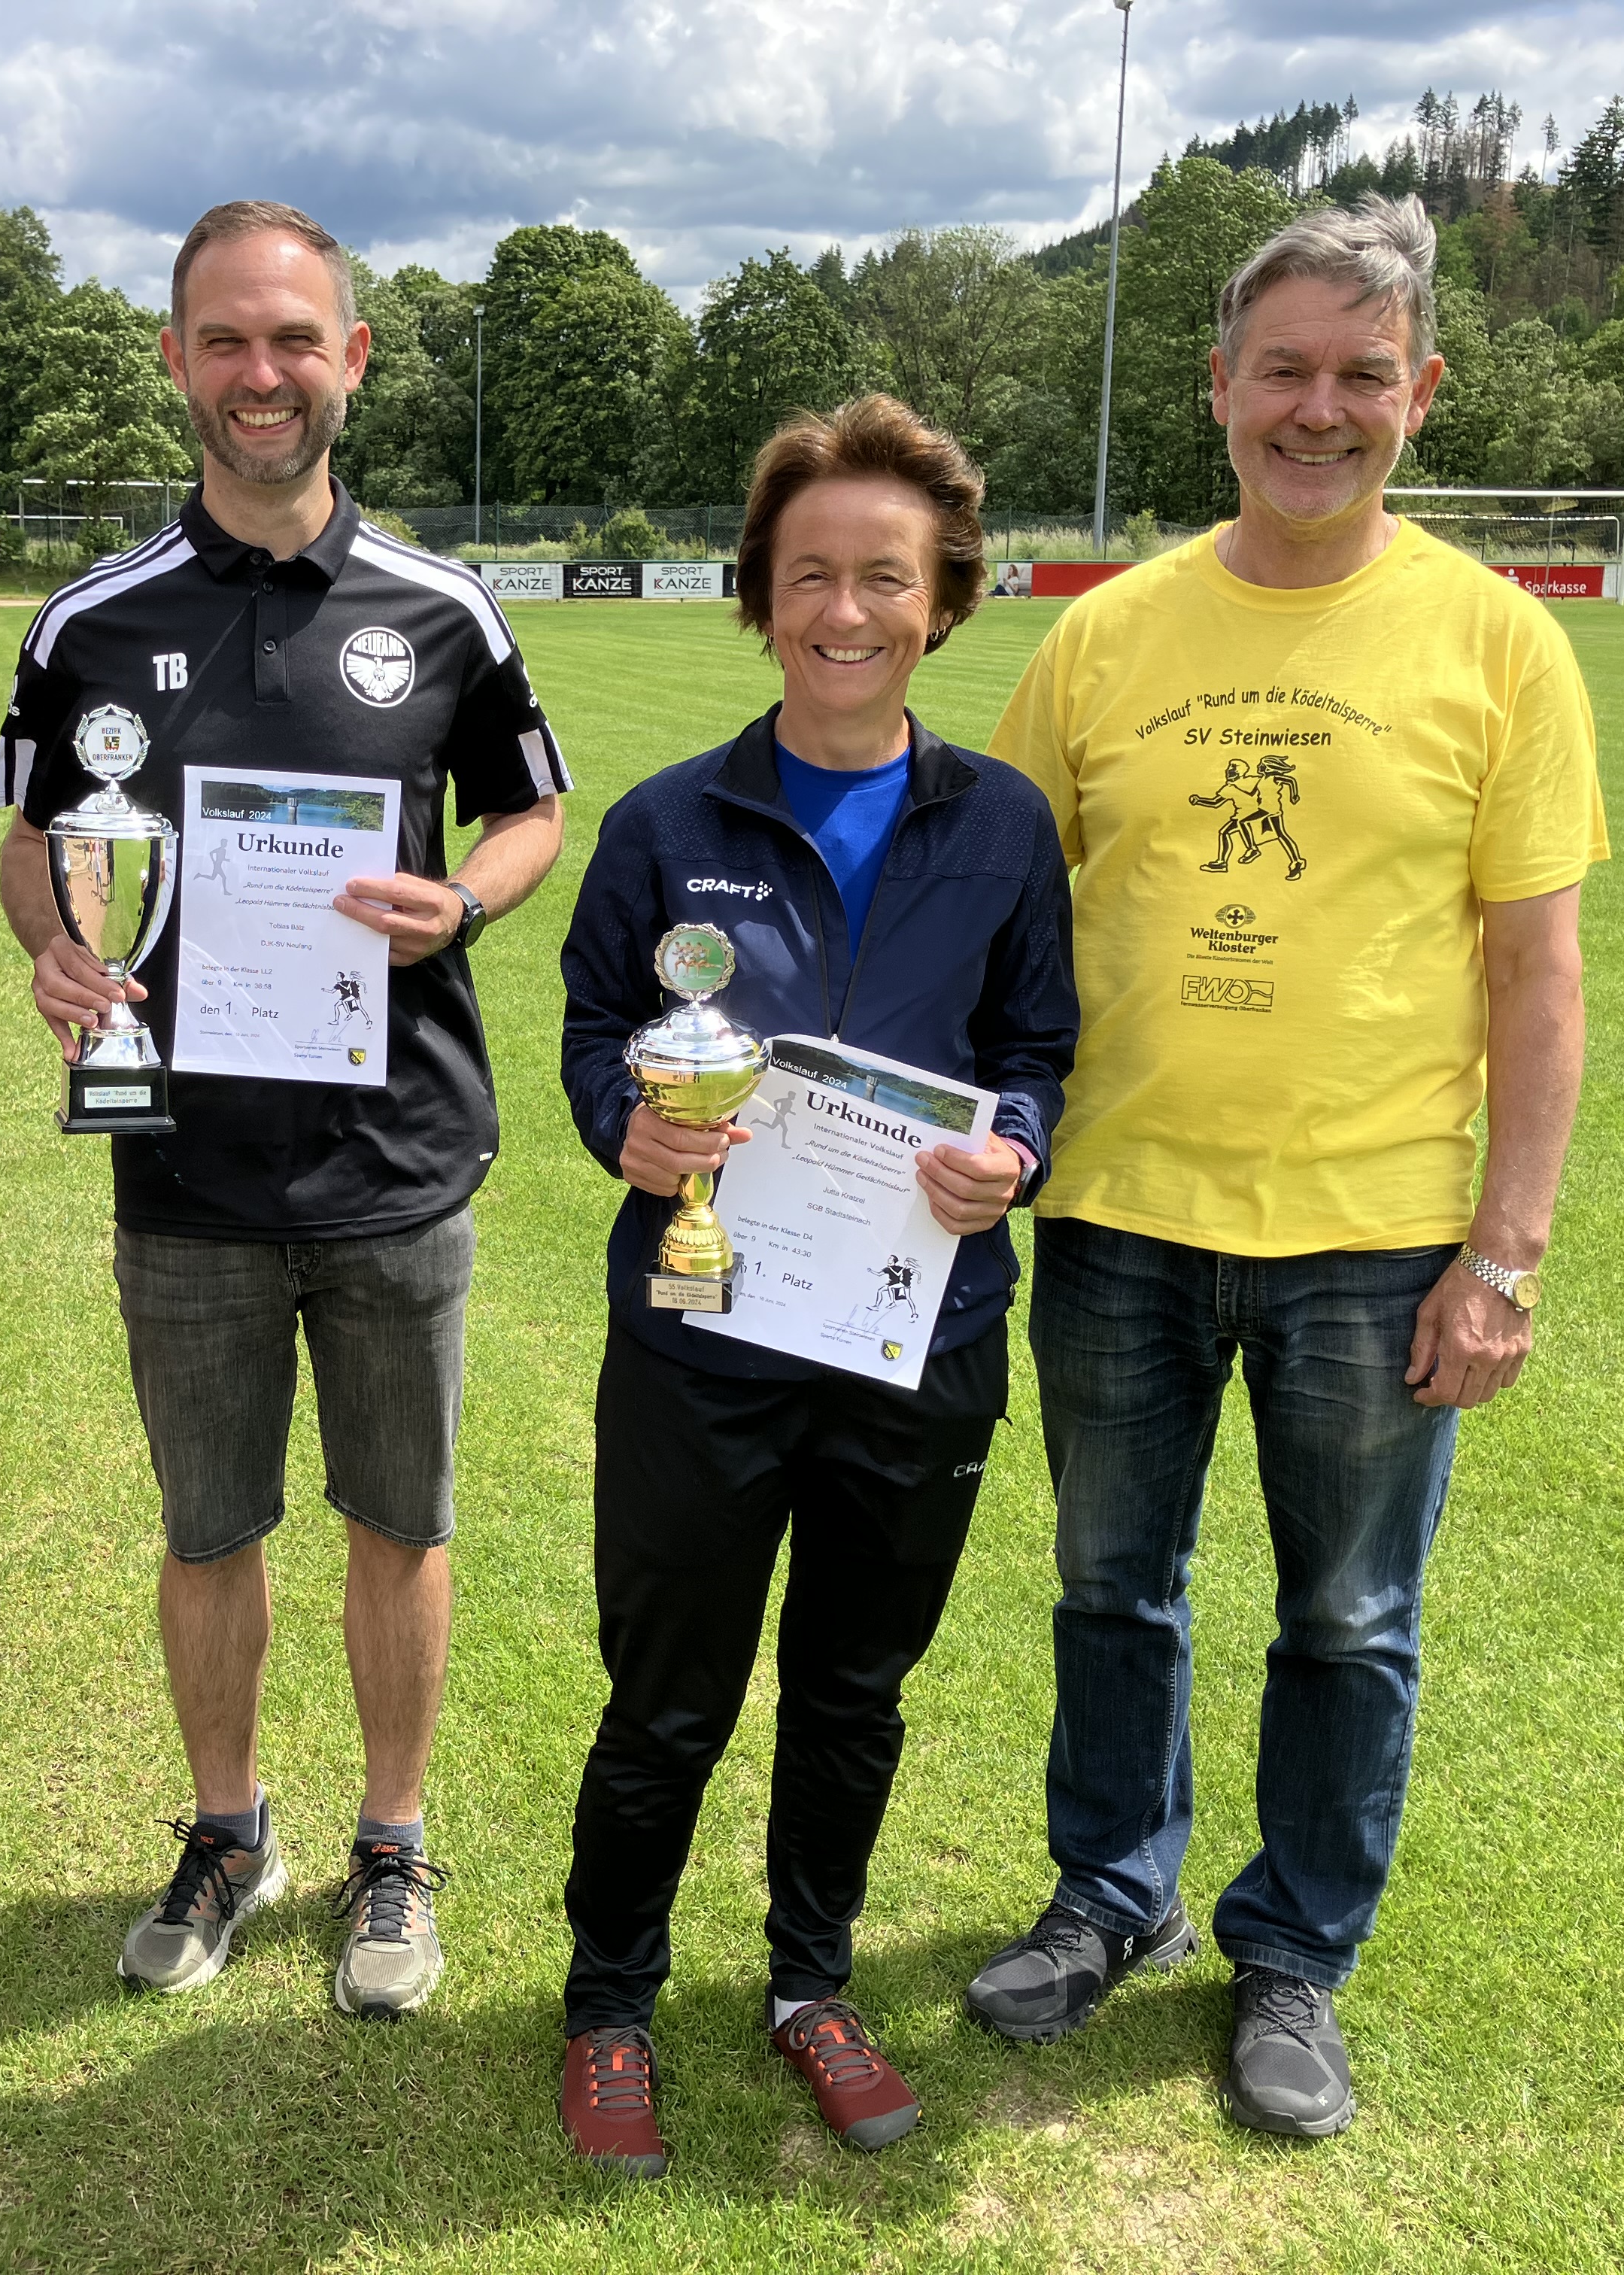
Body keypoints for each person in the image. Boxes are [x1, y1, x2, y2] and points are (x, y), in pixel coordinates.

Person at [964, 196, 1606, 2139]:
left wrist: (1507, 1252)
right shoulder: (1112, 637)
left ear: (1419, 393)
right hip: (1121, 1215)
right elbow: (993, 900)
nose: (1317, 411)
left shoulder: (1496, 647)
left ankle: (1298, 1956)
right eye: (1284, 372)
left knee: (1350, 1621)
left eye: (1359, 376)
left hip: (1377, 1236)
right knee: (1111, 1589)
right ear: (1219, 389)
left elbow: (1539, 966)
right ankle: (1114, 1895)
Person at [0, 201, 566, 2020]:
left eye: (295, 340)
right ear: (175, 359)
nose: (263, 374)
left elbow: (539, 812)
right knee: (210, 1528)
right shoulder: (88, 622)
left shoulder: (444, 609)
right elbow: (27, 845)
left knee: (402, 1520)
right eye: (226, 340)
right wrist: (59, 953)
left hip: (397, 1161)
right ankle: (232, 1829)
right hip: (182, 1165)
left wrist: (467, 900)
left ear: (352, 362)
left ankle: (394, 1847)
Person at [551, 395, 1077, 2175]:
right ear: (758, 596)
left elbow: (1034, 1050)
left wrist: (1013, 1148)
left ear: (942, 600)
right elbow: (590, 1036)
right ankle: (611, 2002)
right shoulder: (660, 821)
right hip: (703, 1331)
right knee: (671, 1692)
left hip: (916, 1337)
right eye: (809, 577)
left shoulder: (1004, 823)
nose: (844, 611)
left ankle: (810, 1985)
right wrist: (622, 1128)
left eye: (884, 578)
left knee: (855, 1690)